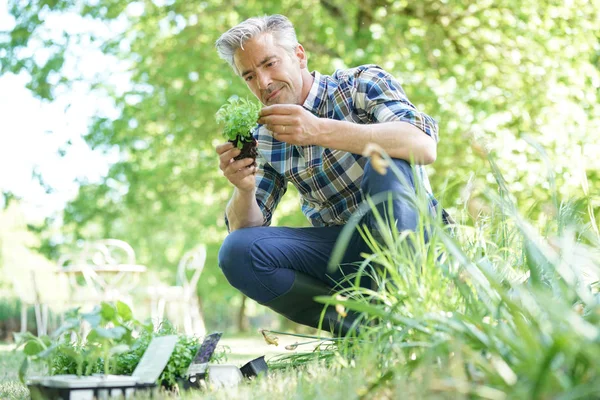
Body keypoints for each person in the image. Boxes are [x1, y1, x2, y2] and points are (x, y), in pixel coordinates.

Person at [214, 14, 440, 336]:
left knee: (385, 163)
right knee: (236, 251)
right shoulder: (264, 136)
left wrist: (319, 130)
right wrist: (244, 189)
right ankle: (361, 331)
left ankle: (411, 311)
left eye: (270, 64)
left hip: (413, 237)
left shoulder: (359, 85)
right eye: (249, 76)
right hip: (342, 252)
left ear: (299, 56)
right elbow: (245, 230)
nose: (262, 83)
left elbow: (422, 144)